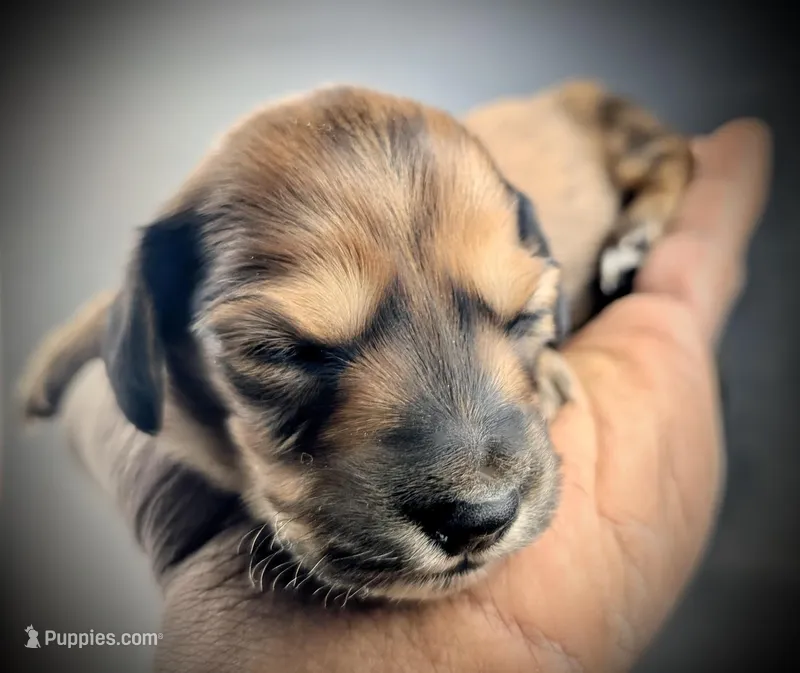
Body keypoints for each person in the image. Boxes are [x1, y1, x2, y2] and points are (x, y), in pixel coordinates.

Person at [59, 118, 772, 672]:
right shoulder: (166, 298)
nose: (477, 493)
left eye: (518, 316)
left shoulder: (520, 193)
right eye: (289, 352)